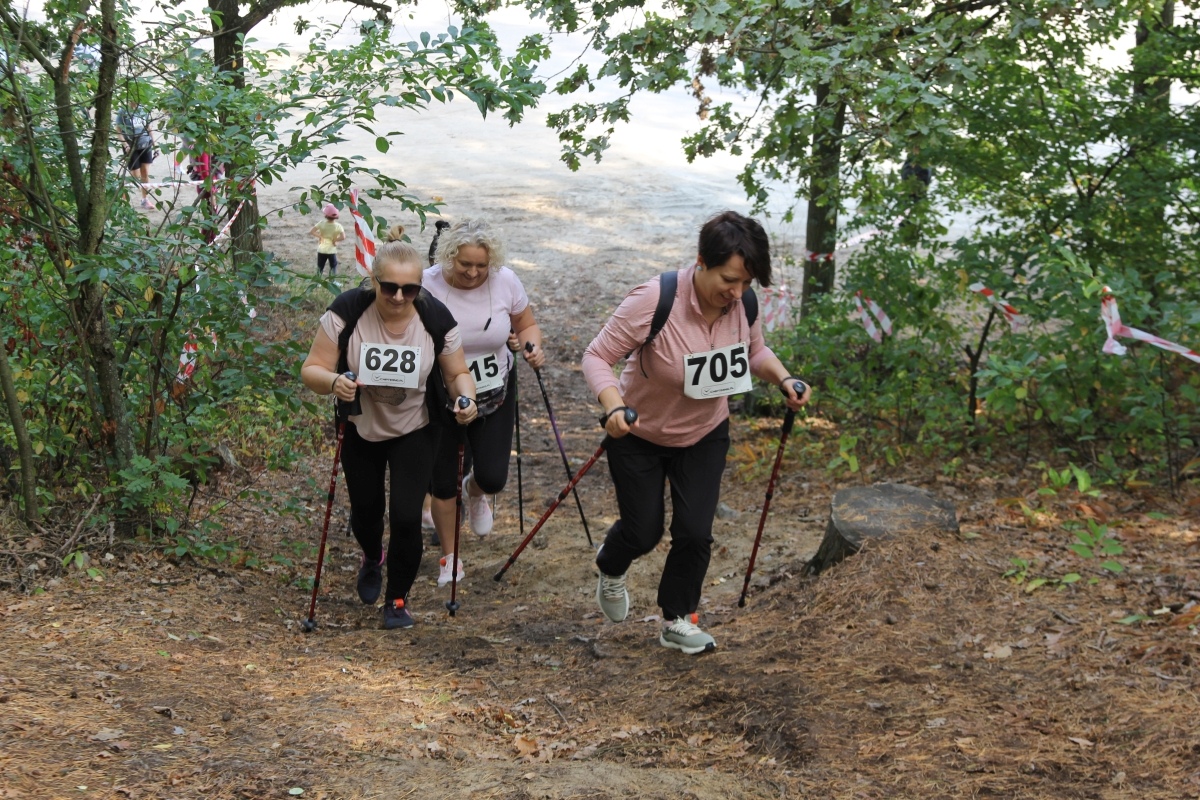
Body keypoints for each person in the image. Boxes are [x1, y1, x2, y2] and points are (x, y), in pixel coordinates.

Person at [581, 210, 811, 655]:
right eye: (729, 279)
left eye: (746, 283)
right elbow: (596, 356)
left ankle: (677, 619)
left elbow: (755, 351)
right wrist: (612, 405)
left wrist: (783, 379)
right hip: (639, 434)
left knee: (694, 531)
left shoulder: (742, 304)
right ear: (702, 261)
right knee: (644, 532)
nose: (737, 292)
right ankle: (611, 564)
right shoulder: (655, 299)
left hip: (705, 433)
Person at [300, 238, 478, 630]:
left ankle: (397, 599)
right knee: (366, 513)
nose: (399, 297)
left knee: (405, 516)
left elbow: (457, 374)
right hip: (362, 426)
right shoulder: (347, 310)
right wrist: (333, 383)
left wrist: (466, 399)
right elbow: (311, 368)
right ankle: (371, 555)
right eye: (389, 287)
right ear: (373, 280)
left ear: (419, 287)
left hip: (416, 428)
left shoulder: (436, 320)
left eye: (410, 289)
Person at [423, 218, 544, 587]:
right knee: (443, 480)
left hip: (493, 392)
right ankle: (450, 558)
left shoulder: (505, 280)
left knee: (492, 476)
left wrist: (532, 346)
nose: (474, 273)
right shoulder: (427, 284)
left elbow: (525, 323)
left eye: (481, 265)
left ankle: (475, 493)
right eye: (465, 265)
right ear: (449, 257)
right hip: (442, 395)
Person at [116, 99, 155, 208]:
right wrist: (125, 145)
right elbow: (118, 131)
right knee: (135, 176)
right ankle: (122, 199)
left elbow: (149, 128)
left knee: (145, 174)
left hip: (145, 145)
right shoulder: (123, 111)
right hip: (131, 147)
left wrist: (154, 143)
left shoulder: (143, 110)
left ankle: (145, 199)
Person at [310, 204, 346, 279]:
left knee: (320, 266)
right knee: (333, 266)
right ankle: (332, 281)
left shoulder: (321, 223)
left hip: (321, 248)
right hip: (331, 250)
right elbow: (343, 237)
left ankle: (318, 281)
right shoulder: (338, 226)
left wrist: (320, 236)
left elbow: (312, 231)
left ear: (325, 215)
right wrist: (335, 240)